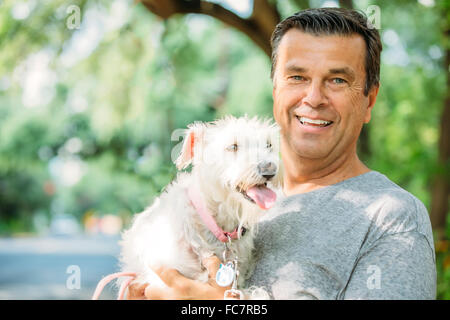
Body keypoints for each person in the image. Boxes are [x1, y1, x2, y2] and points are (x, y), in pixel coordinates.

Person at [127, 7, 436, 300]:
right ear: (276, 90)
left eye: (337, 80)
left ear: (369, 101)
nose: (314, 98)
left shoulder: (392, 216)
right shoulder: (218, 203)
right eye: (297, 77)